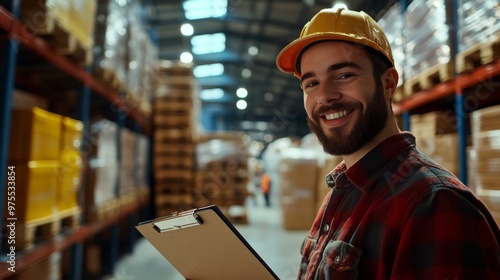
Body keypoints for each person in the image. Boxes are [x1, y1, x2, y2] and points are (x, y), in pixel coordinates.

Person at [276, 8, 500, 280]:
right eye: (311, 83)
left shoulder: (436, 206)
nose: (325, 96)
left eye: (344, 75)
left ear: (388, 83)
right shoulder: (341, 191)